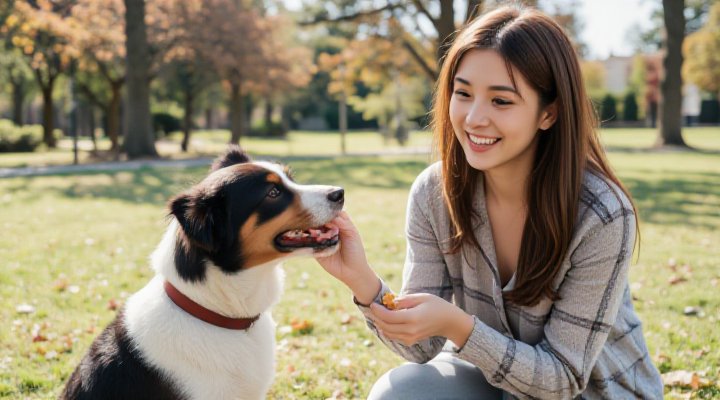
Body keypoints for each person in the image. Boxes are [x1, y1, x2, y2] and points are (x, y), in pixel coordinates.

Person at [315, 5, 664, 400]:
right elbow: (420, 347)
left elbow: (563, 379)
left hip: (595, 394)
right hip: (495, 384)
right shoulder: (434, 192)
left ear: (548, 113)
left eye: (501, 101)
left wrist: (459, 326)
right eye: (463, 93)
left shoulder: (601, 214)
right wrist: (362, 281)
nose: (474, 118)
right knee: (401, 393)